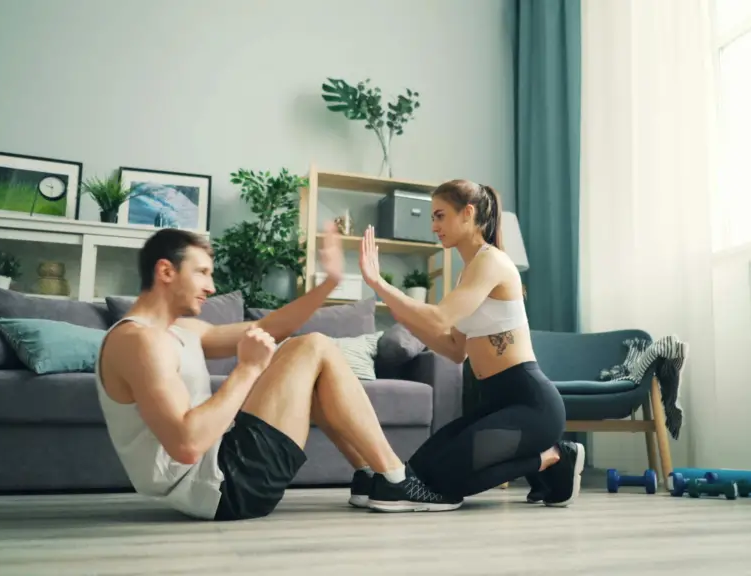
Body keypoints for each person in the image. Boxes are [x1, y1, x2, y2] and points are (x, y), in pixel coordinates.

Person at [95, 223, 450, 521]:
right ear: (166, 272)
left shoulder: (178, 331)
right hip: (223, 487)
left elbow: (269, 326)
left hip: (219, 473)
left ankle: (373, 478)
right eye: (202, 272)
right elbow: (186, 446)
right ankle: (397, 479)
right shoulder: (140, 341)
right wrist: (249, 369)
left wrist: (328, 284)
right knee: (314, 347)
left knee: (310, 350)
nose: (211, 286)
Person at [355, 180, 584, 512]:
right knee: (419, 473)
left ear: (468, 213)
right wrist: (397, 305)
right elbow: (452, 348)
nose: (434, 226)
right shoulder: (468, 275)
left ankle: (554, 456)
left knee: (446, 482)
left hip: (532, 405)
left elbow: (438, 318)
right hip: (493, 403)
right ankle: (550, 462)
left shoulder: (492, 262)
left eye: (440, 216)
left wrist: (380, 286)